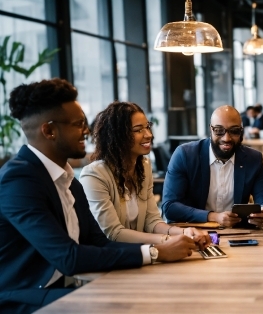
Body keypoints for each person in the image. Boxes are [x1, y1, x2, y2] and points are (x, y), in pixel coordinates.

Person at [0, 79, 194, 313]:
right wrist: (155, 252)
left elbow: (100, 242)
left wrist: (161, 250)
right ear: (49, 130)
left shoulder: (68, 180)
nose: (87, 130)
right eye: (78, 124)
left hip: (69, 285)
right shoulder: (18, 181)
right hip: (23, 298)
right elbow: (68, 258)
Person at [80, 101, 210, 245]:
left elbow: (152, 221)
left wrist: (184, 232)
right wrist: (167, 240)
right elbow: (113, 233)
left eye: (147, 127)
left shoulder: (143, 166)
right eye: (138, 130)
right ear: (118, 136)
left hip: (141, 255)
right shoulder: (94, 175)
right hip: (109, 260)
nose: (148, 134)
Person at [162, 105, 263, 228]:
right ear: (211, 130)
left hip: (236, 234)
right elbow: (170, 206)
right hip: (193, 231)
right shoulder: (185, 155)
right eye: (219, 130)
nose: (226, 138)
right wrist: (214, 217)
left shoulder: (253, 159)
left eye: (234, 131)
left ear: (241, 131)